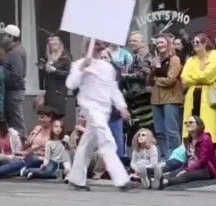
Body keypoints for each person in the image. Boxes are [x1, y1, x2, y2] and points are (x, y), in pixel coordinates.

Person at [65, 40, 132, 192]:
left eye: (102, 45)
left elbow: (113, 89)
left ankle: (76, 179)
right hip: (89, 107)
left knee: (86, 144)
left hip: (104, 109)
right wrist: (82, 68)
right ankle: (121, 179)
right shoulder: (79, 64)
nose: (100, 48)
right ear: (88, 46)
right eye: (96, 44)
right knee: (106, 140)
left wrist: (122, 106)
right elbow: (70, 84)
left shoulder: (108, 68)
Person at [156, 115, 216, 189]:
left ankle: (164, 182)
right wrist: (184, 168)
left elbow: (203, 161)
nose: (188, 124)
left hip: (205, 169)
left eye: (191, 122)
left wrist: (187, 170)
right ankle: (154, 181)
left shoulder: (205, 139)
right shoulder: (188, 140)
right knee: (174, 172)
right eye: (186, 123)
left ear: (198, 125)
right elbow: (188, 157)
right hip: (190, 166)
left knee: (186, 175)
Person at [181, 32, 216, 145]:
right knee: (192, 128)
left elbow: (208, 76)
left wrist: (194, 76)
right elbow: (184, 78)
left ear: (205, 43)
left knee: (208, 129)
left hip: (208, 97)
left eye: (198, 42)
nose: (195, 44)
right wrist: (200, 76)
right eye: (193, 42)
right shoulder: (191, 60)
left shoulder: (214, 57)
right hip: (193, 97)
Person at [147, 35, 183, 160]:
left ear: (168, 44)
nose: (159, 45)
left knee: (171, 131)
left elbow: (170, 80)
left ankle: (176, 157)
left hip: (171, 99)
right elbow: (149, 82)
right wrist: (153, 69)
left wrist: (157, 73)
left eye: (162, 42)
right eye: (157, 43)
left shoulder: (175, 59)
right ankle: (164, 157)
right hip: (156, 99)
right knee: (160, 132)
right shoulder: (156, 60)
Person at [1, 25, 28, 133]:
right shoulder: (14, 50)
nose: (2, 38)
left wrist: (1, 75)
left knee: (17, 122)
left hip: (13, 92)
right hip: (13, 91)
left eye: (4, 35)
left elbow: (17, 75)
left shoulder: (14, 53)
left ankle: (23, 143)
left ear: (11, 37)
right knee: (11, 122)